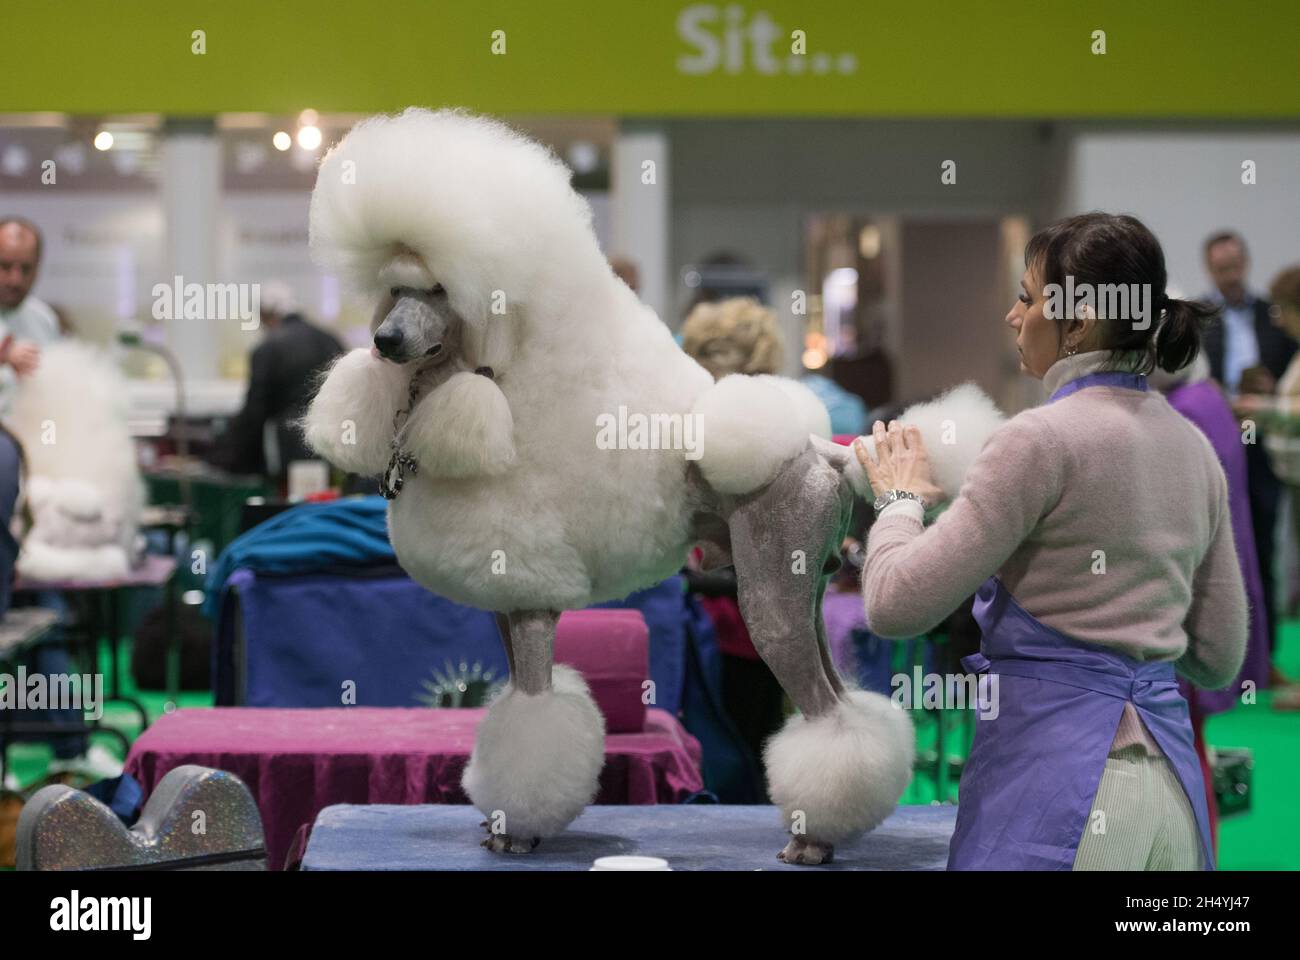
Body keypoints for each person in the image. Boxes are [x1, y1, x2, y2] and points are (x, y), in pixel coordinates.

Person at [858, 212, 1246, 871]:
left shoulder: (1035, 442)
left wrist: (899, 500)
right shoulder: (1193, 448)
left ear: (1080, 319)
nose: (1013, 316)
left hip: (1061, 793)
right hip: (1175, 796)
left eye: (1027, 298)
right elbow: (1218, 657)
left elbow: (893, 603)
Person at [1200, 231, 1296, 678]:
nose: (1230, 275)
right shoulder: (1200, 318)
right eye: (1222, 269)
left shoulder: (1273, 315)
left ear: (1247, 263)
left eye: (1236, 266)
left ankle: (1266, 659)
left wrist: (1269, 394)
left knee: (1265, 550)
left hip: (1270, 446)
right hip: (1219, 442)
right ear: (1210, 271)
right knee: (1225, 551)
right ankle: (1225, 662)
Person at [206, 282, 343, 486]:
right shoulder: (330, 341)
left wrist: (225, 456)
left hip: (286, 451)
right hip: (331, 448)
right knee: (324, 505)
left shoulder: (267, 349)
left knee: (292, 507)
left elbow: (254, 412)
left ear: (268, 314)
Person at [0, 217, 60, 415]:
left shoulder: (44, 319)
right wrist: (4, 356)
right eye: (5, 266)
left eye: (25, 268)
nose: (15, 280)